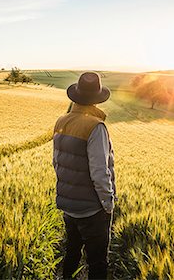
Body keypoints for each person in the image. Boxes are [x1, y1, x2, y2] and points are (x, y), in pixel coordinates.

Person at [53, 72, 116, 279]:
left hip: (68, 205)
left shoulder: (62, 121)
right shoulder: (96, 127)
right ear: (97, 100)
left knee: (72, 249)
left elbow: (56, 162)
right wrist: (108, 204)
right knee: (98, 262)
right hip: (91, 209)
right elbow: (100, 172)